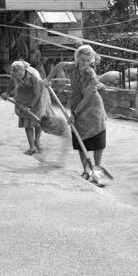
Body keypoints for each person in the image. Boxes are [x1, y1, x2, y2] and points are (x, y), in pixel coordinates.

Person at [43, 45, 107, 180]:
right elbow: (59, 65)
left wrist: (74, 115)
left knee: (97, 140)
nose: (84, 63)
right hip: (77, 103)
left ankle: (97, 170)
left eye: (87, 60)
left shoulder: (91, 75)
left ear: (91, 60)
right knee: (80, 139)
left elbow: (87, 98)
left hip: (93, 108)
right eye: (82, 59)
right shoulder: (72, 66)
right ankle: (86, 171)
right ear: (77, 58)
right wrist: (48, 78)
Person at [4, 60, 50, 155]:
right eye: (17, 77)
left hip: (38, 96)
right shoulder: (15, 73)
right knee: (27, 123)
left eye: (20, 76)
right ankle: (32, 147)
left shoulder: (34, 76)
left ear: (24, 71)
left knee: (37, 121)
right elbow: (12, 80)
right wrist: (6, 92)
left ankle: (37, 140)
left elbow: (37, 93)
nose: (19, 78)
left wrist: (30, 106)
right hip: (24, 94)